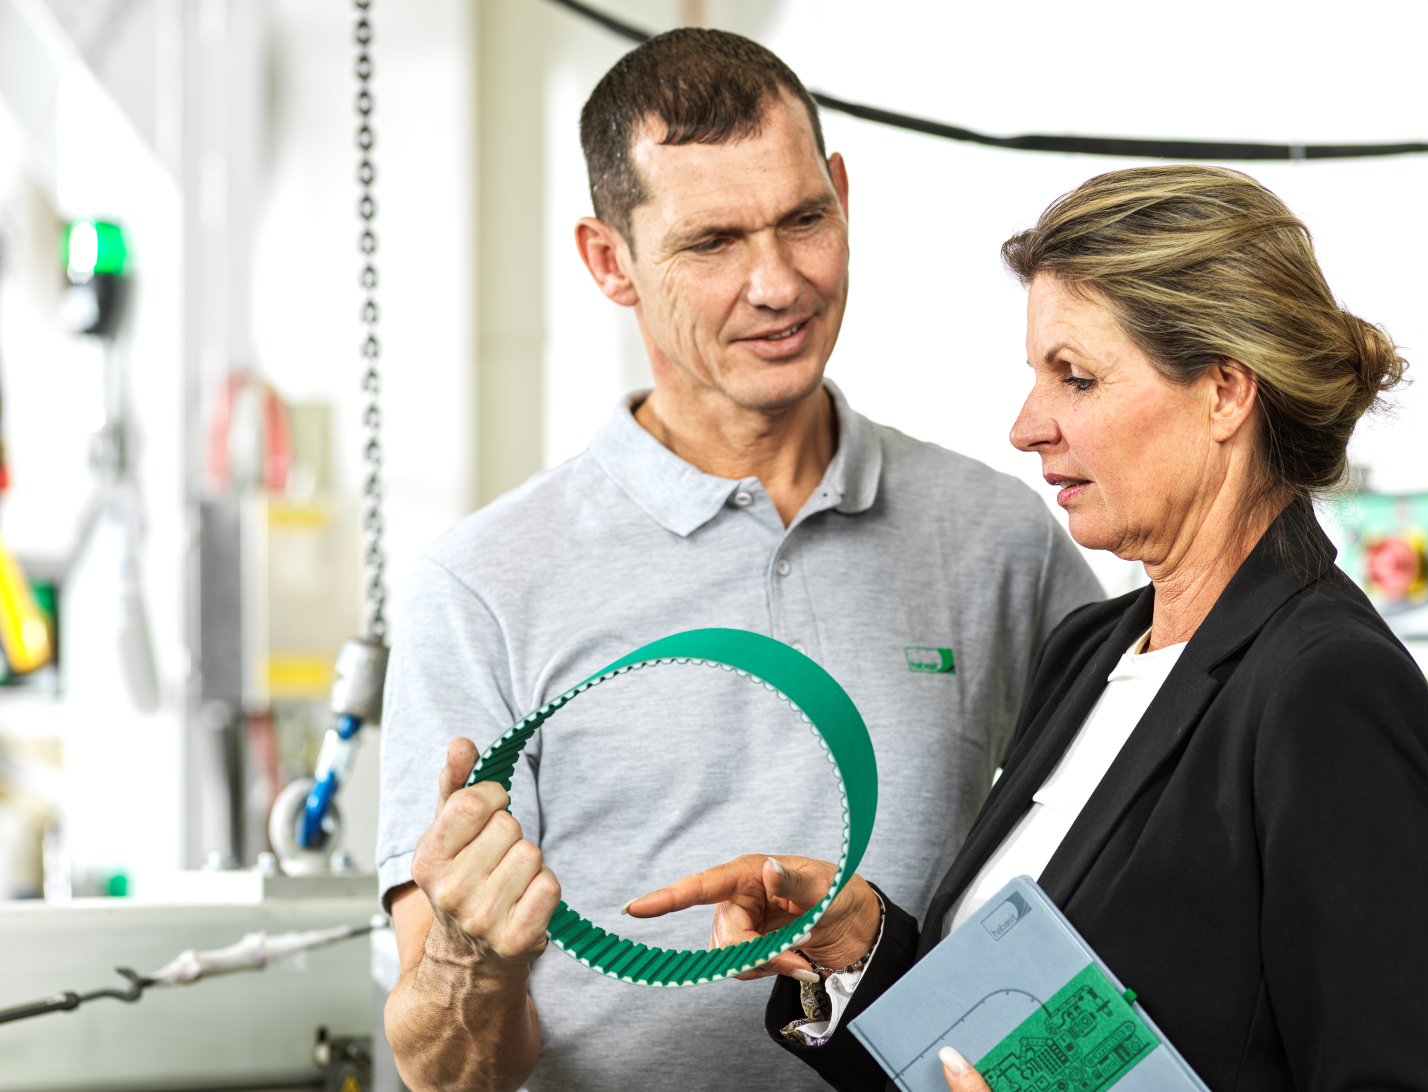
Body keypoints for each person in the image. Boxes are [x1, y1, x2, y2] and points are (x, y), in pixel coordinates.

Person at [376, 29, 1101, 1092]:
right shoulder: (481, 585)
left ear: (841, 195)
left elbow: (1116, 874)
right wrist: (466, 960)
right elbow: (448, 1073)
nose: (777, 284)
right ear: (609, 261)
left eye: (803, 219)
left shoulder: (1001, 538)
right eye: (712, 241)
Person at [628, 164, 1428, 1092]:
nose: (1026, 427)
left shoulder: (1329, 688)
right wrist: (859, 945)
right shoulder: (1089, 652)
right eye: (1036, 377)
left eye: (1078, 378)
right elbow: (1015, 1040)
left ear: (1225, 391)